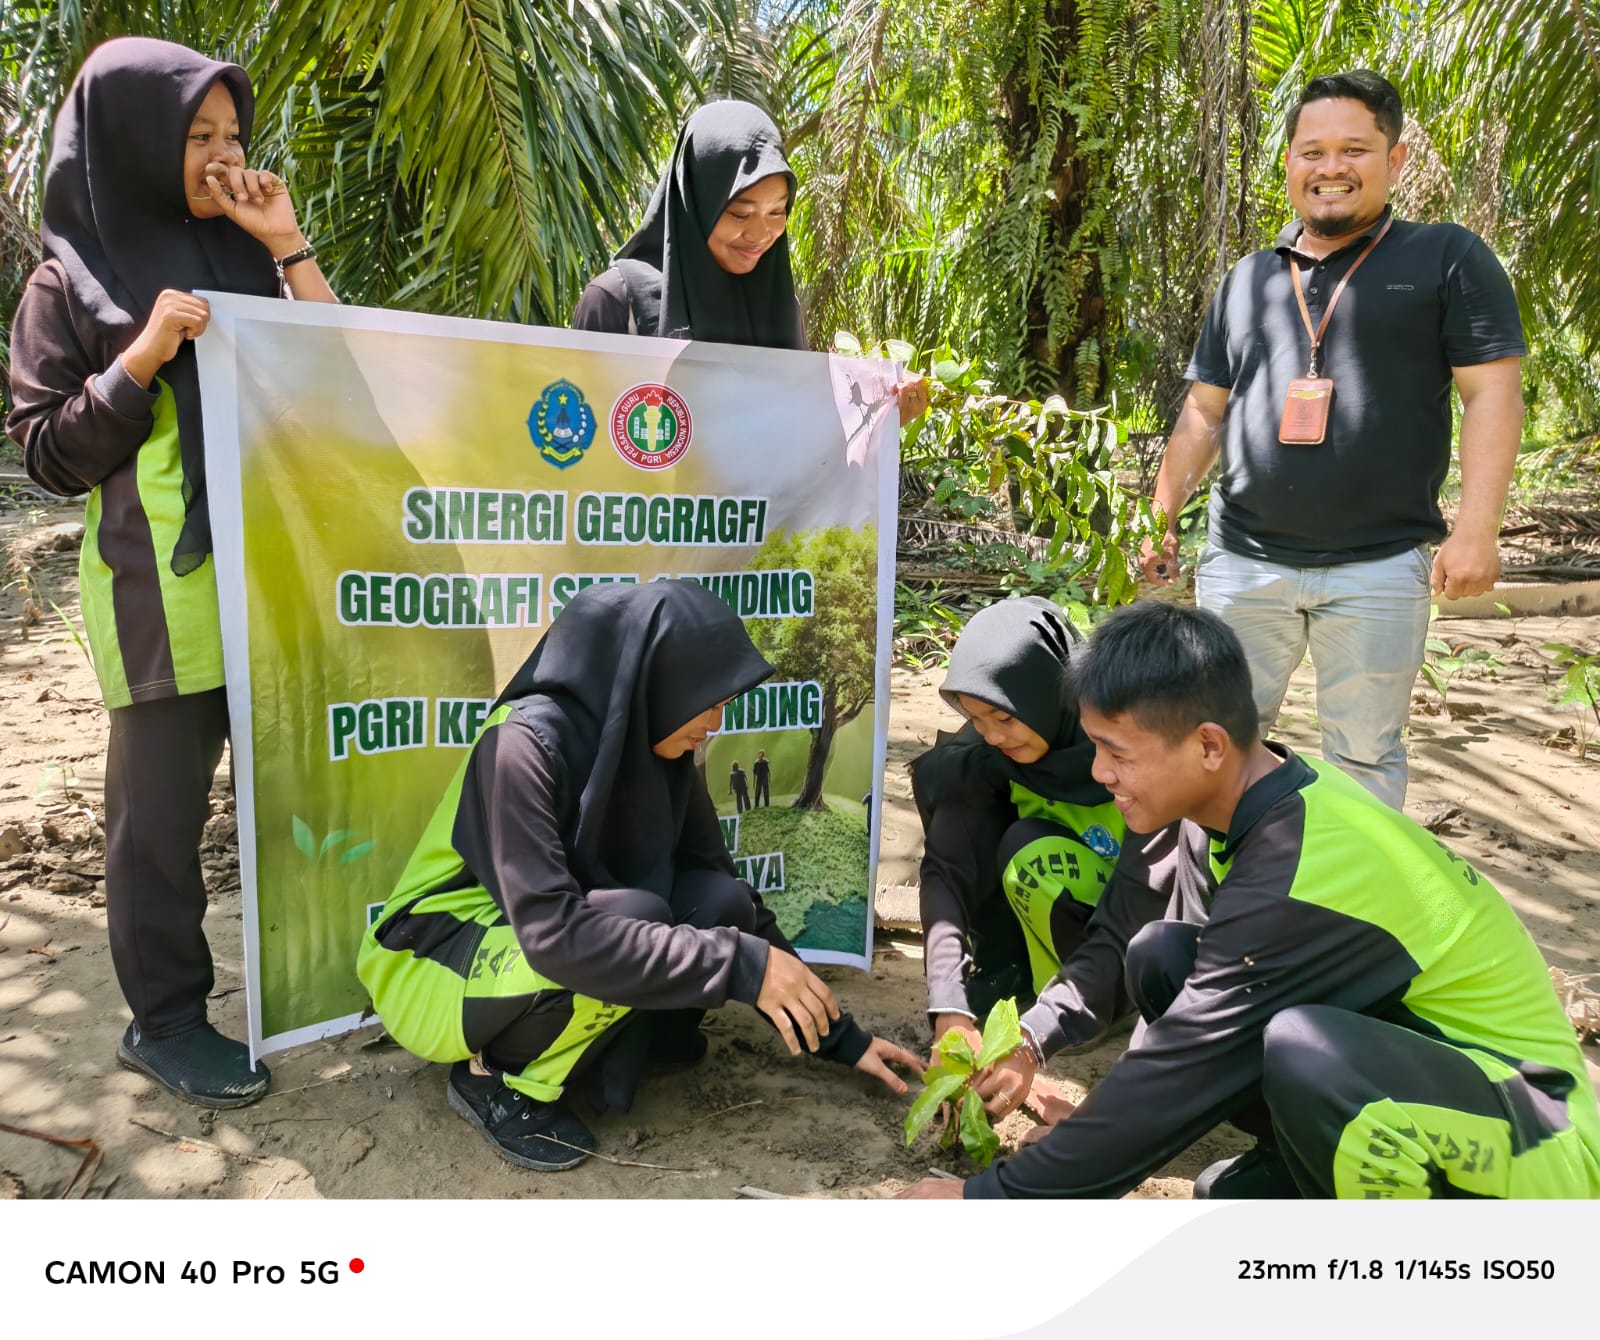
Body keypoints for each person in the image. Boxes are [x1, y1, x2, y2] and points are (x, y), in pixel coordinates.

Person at [899, 602, 1600, 1200]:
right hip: (1427, 1077)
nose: (1100, 772)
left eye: (1117, 752)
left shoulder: (1298, 868)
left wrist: (988, 1198)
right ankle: (1300, 1165)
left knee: (1304, 1051)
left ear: (1208, 745)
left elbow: (1186, 1059)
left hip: (1537, 1136)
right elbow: (1182, 1012)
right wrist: (1066, 1089)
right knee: (1162, 957)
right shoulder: (1251, 804)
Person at [6, 37, 337, 1107]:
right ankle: (168, 1020)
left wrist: (286, 243)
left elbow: (339, 376)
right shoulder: (67, 280)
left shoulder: (246, 252)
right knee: (158, 821)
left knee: (300, 787)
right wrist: (141, 356)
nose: (222, 155)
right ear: (135, 140)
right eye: (197, 135)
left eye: (233, 133)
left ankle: (328, 984)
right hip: (159, 588)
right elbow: (48, 454)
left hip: (274, 575)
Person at [357, 581, 920, 1172]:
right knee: (637, 916)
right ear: (657, 680)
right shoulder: (520, 744)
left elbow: (728, 895)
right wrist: (739, 966)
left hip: (530, 945)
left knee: (720, 902)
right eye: (708, 701)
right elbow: (555, 934)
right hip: (433, 956)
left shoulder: (654, 743)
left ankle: (639, 1038)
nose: (715, 722)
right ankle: (494, 1079)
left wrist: (842, 1039)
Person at [1139, 70, 1525, 810]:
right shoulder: (1248, 279)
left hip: (1378, 566)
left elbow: (1492, 394)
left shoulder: (1446, 258)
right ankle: (1220, 882)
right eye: (1312, 151)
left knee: (1365, 756)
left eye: (1355, 149)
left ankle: (1350, 889)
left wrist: (1478, 529)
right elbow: (1204, 413)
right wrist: (1159, 516)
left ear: (1395, 159)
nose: (1331, 168)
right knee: (1213, 744)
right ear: (1289, 161)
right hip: (1243, 562)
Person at [910, 597, 1182, 1121]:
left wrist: (1035, 1038)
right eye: (975, 717)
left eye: (1003, 716)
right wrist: (948, 1002)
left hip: (1137, 923)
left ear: (1045, 695)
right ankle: (1017, 976)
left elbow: (1144, 897)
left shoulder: (1132, 751)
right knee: (963, 792)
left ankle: (1096, 1007)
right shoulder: (989, 753)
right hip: (1061, 905)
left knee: (1032, 853)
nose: (992, 735)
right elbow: (947, 870)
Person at [571, 99, 930, 423]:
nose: (760, 234)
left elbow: (802, 442)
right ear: (696, 204)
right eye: (740, 214)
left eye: (777, 212)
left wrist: (884, 419)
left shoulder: (779, 309)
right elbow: (581, 441)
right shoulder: (616, 302)